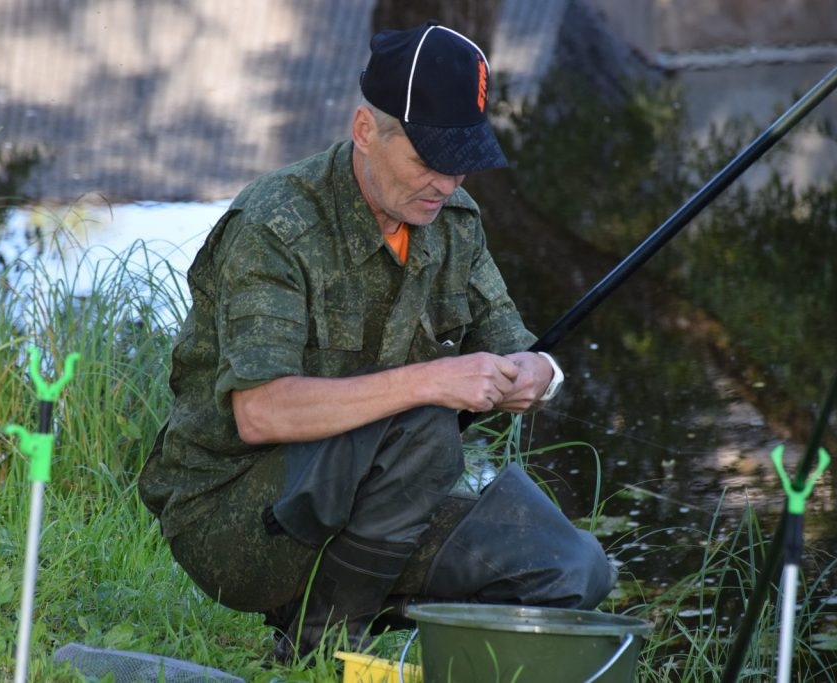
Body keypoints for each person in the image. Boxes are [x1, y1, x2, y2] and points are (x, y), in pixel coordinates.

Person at [138, 20, 617, 662]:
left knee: (572, 569)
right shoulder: (276, 224)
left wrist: (539, 373)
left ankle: (369, 629)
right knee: (423, 423)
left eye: (462, 165)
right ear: (366, 130)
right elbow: (259, 412)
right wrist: (432, 382)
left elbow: (513, 344)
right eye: (428, 160)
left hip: (373, 504)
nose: (446, 184)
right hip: (235, 516)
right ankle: (318, 648)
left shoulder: (452, 222)